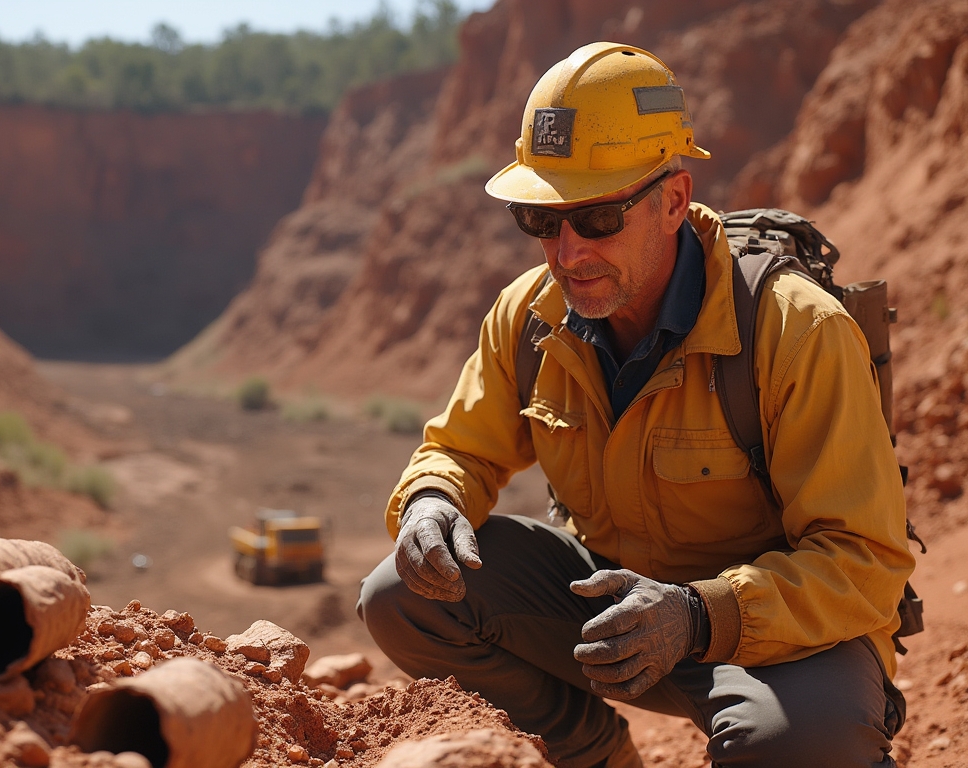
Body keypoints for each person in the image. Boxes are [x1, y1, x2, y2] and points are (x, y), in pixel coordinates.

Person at [357, 42, 915, 768]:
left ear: (674, 200)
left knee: (799, 743)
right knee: (404, 592)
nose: (566, 252)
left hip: (774, 636)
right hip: (613, 618)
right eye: (541, 220)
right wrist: (433, 500)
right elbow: (459, 449)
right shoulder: (529, 316)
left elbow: (864, 562)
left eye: (594, 220)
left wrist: (697, 615)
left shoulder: (794, 329)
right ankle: (595, 759)